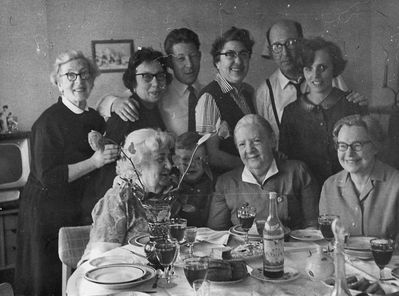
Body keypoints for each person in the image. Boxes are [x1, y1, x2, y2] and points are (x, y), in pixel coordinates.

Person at [14, 50, 119, 296]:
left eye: (84, 74)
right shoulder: (47, 123)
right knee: (49, 281)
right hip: (46, 214)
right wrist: (95, 162)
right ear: (58, 83)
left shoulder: (94, 117)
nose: (78, 81)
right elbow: (48, 177)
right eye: (70, 75)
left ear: (92, 80)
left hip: (76, 208)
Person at [81, 48, 172, 220]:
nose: (155, 83)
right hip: (116, 207)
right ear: (133, 82)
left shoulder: (153, 109)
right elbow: (109, 171)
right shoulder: (127, 114)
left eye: (160, 76)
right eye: (146, 77)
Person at [255, 19, 366, 142]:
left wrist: (358, 103)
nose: (285, 53)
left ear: (301, 43)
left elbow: (349, 115)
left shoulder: (332, 78)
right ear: (270, 50)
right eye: (277, 46)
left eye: (291, 42)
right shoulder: (264, 93)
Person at [279, 37, 366, 187]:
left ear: (334, 68)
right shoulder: (290, 112)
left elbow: (365, 152)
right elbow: (286, 160)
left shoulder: (351, 104)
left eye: (322, 67)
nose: (315, 76)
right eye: (309, 68)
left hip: (348, 187)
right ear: (302, 70)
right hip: (307, 192)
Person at [207, 114, 319, 231]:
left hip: (291, 247)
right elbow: (216, 235)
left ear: (272, 141)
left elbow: (312, 226)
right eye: (242, 144)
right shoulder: (226, 183)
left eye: (256, 141)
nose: (249, 150)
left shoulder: (298, 172)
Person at [81, 128, 174, 262]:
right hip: (113, 276)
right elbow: (101, 261)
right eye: (160, 159)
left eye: (169, 158)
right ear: (139, 164)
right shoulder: (119, 199)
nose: (170, 166)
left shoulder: (167, 194)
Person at [96, 28, 203, 137]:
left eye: (193, 56)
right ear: (170, 62)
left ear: (200, 56)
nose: (189, 65)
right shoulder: (159, 90)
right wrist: (114, 103)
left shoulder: (206, 92)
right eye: (181, 59)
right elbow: (107, 104)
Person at [320, 114, 399, 240]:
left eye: (357, 145)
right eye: (342, 146)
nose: (349, 154)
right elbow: (328, 242)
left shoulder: (396, 184)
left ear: (375, 146)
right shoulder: (330, 186)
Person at [195, 26, 256, 174]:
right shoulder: (209, 97)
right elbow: (212, 156)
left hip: (248, 176)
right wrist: (254, 166)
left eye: (243, 54)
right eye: (230, 54)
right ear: (217, 62)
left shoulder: (249, 92)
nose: (238, 61)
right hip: (225, 182)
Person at [172, 132, 213, 226]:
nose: (192, 165)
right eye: (186, 159)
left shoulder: (215, 183)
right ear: (175, 160)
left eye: (198, 159)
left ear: (206, 159)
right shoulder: (170, 185)